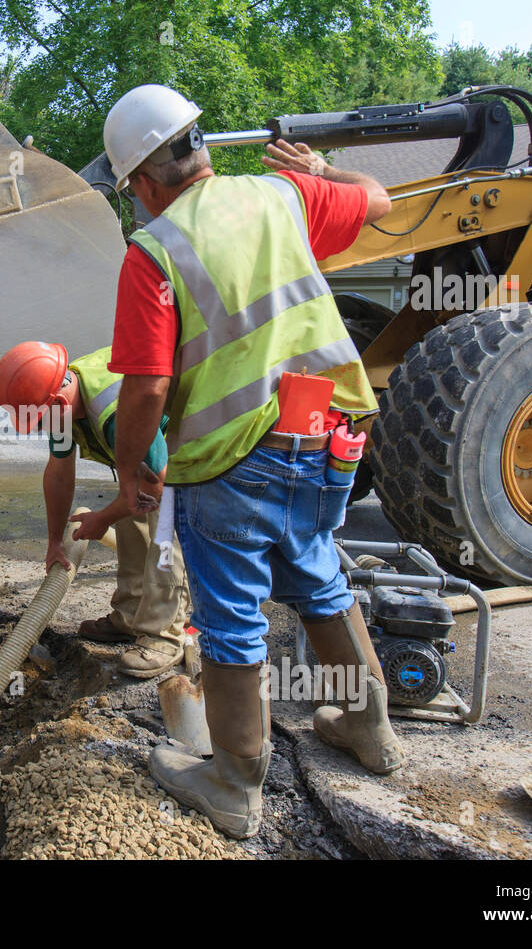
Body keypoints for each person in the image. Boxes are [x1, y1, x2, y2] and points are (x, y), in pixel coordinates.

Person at [97, 83, 405, 839]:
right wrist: (324, 170)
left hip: (236, 456)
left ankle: (234, 779)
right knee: (318, 573)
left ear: (139, 182)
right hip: (328, 438)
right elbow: (381, 200)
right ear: (198, 144)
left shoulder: (154, 250)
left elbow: (146, 385)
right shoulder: (283, 195)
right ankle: (371, 730)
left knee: (232, 617)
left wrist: (134, 468)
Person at [0, 341, 191, 678]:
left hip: (188, 436)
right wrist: (55, 542)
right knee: (131, 518)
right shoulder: (65, 391)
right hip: (146, 455)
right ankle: (131, 615)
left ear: (55, 402)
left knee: (162, 528)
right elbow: (58, 471)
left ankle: (165, 635)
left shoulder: (117, 412)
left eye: (40, 420)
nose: (42, 427)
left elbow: (154, 485)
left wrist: (102, 519)